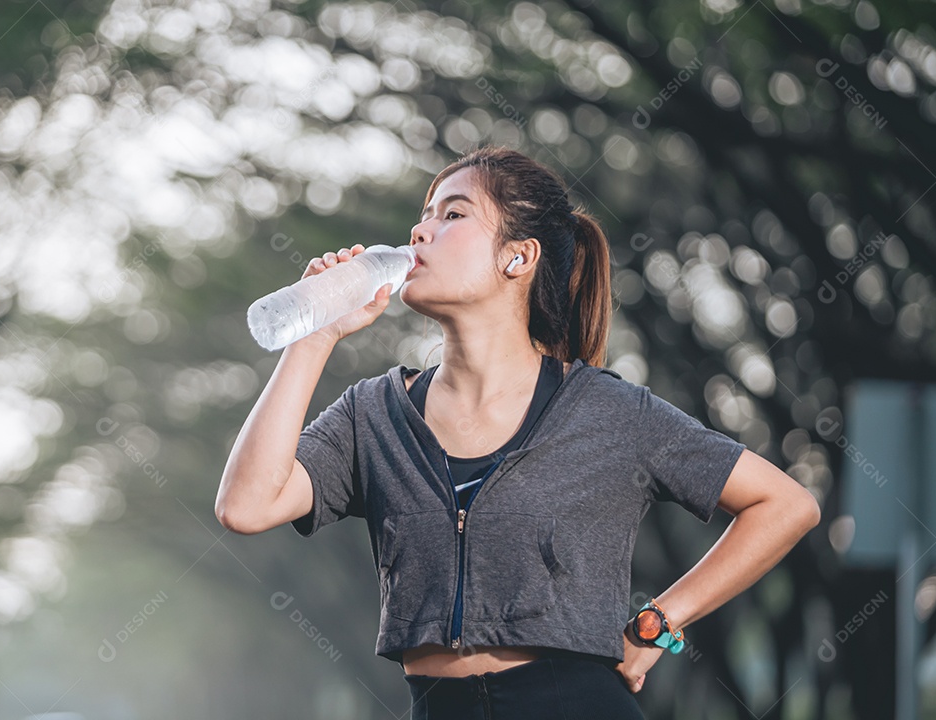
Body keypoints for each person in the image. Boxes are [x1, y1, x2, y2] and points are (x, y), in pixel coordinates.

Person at [216, 146, 821, 719]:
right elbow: (246, 505)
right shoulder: (369, 415)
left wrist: (660, 621)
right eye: (421, 218)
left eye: (453, 215)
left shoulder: (607, 411)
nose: (419, 233)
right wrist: (315, 334)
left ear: (519, 256)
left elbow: (785, 504)